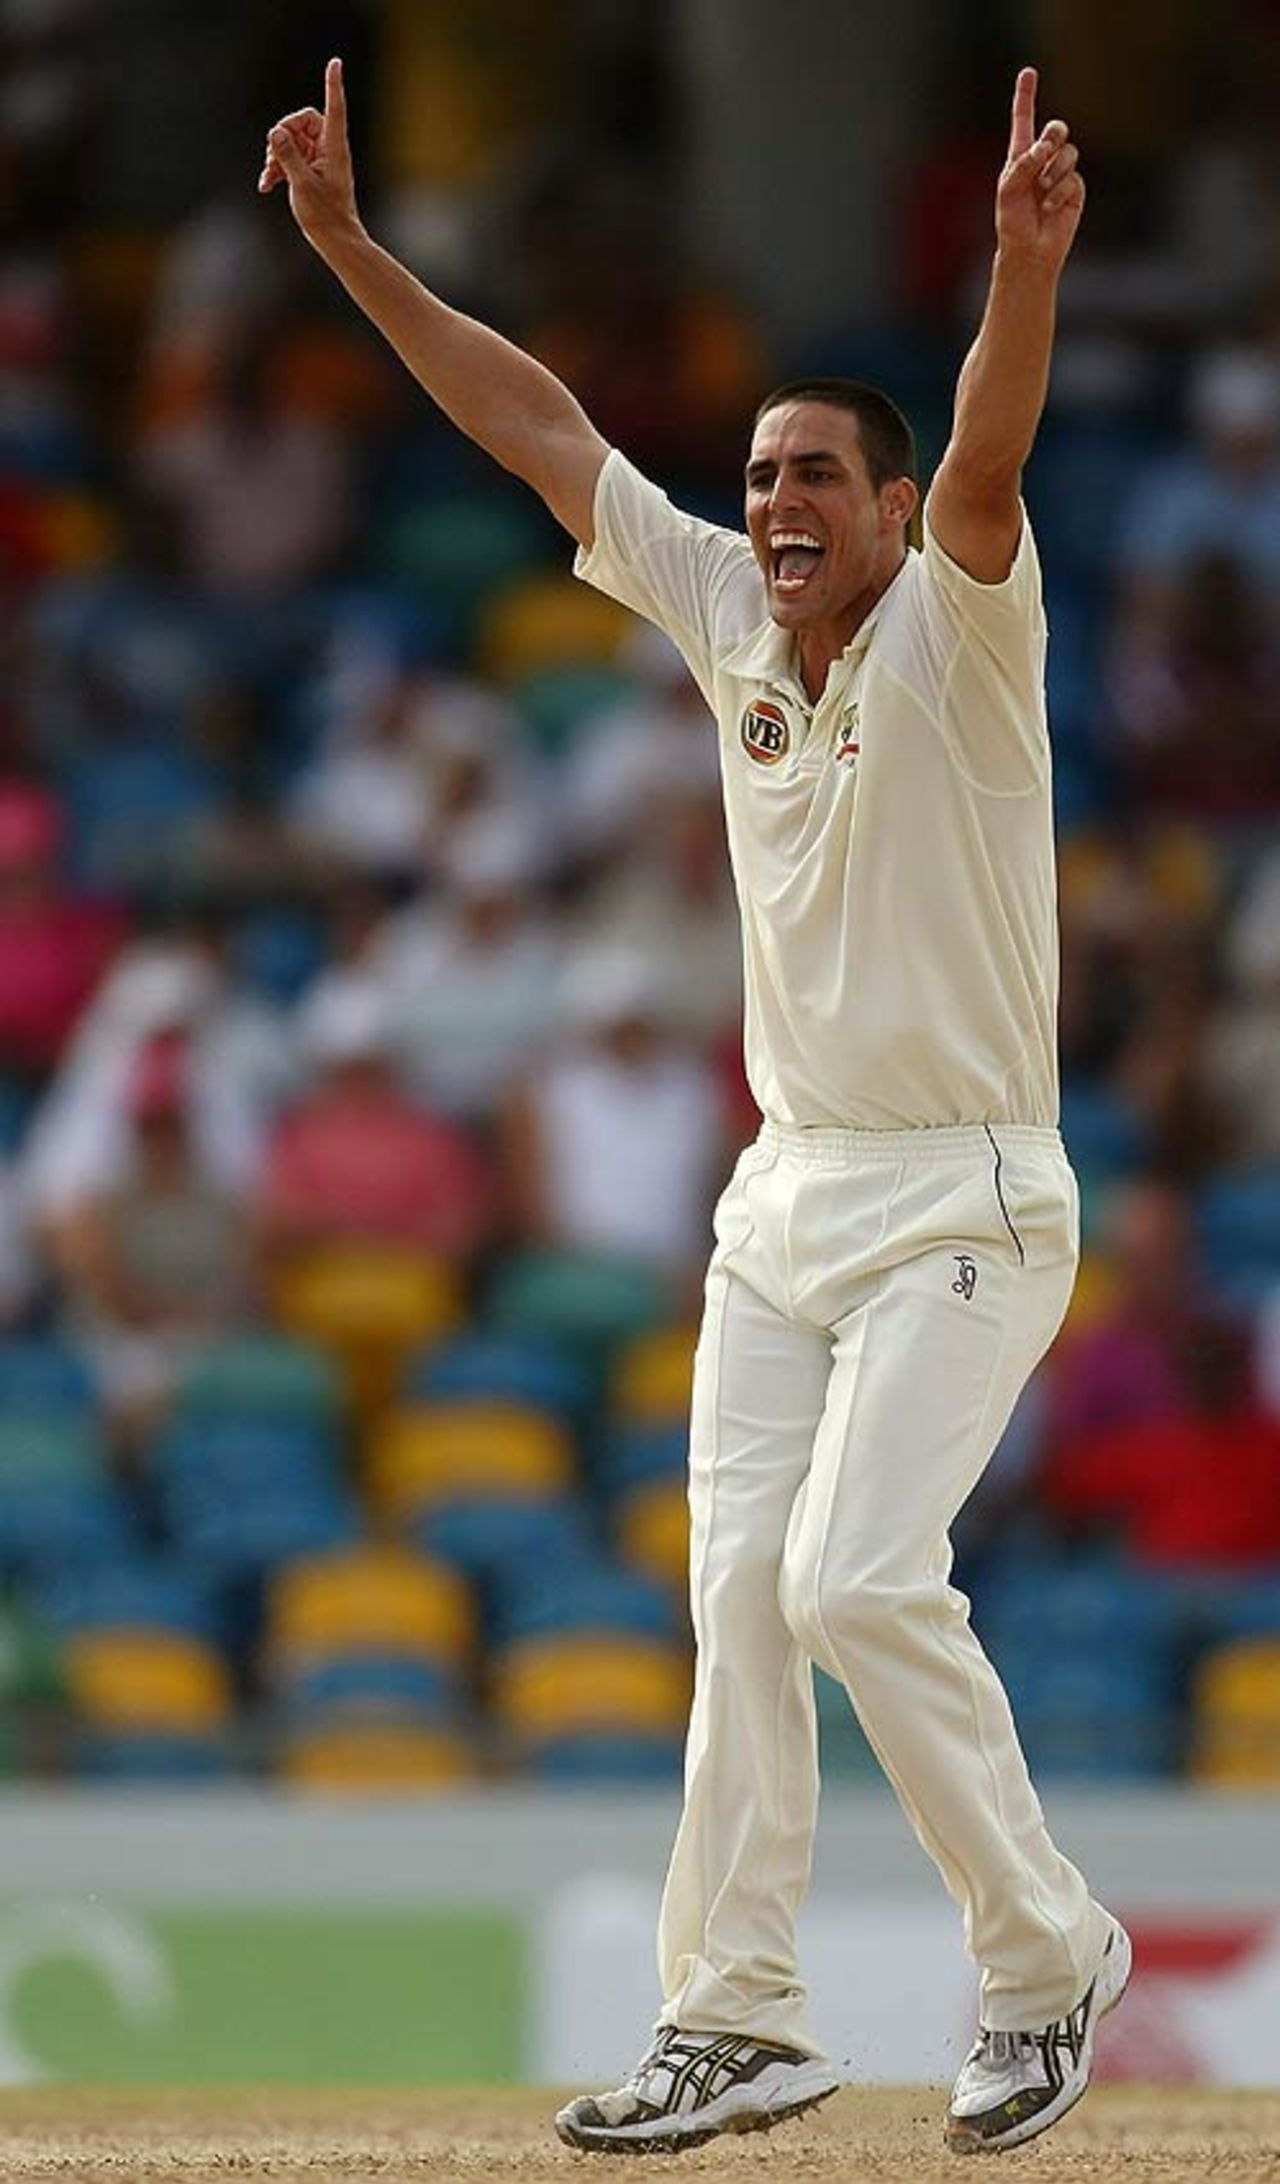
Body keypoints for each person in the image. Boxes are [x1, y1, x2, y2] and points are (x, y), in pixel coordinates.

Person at [261, 59, 1130, 2155]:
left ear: (895, 509)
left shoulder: (958, 634)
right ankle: (731, 2015)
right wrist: (358, 253)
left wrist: (1021, 268)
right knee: (736, 1603)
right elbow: (536, 424)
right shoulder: (726, 612)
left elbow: (996, 441)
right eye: (759, 475)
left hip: (967, 1196)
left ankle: (1041, 1957)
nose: (776, 503)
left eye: (819, 473)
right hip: (786, 1199)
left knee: (847, 1583)